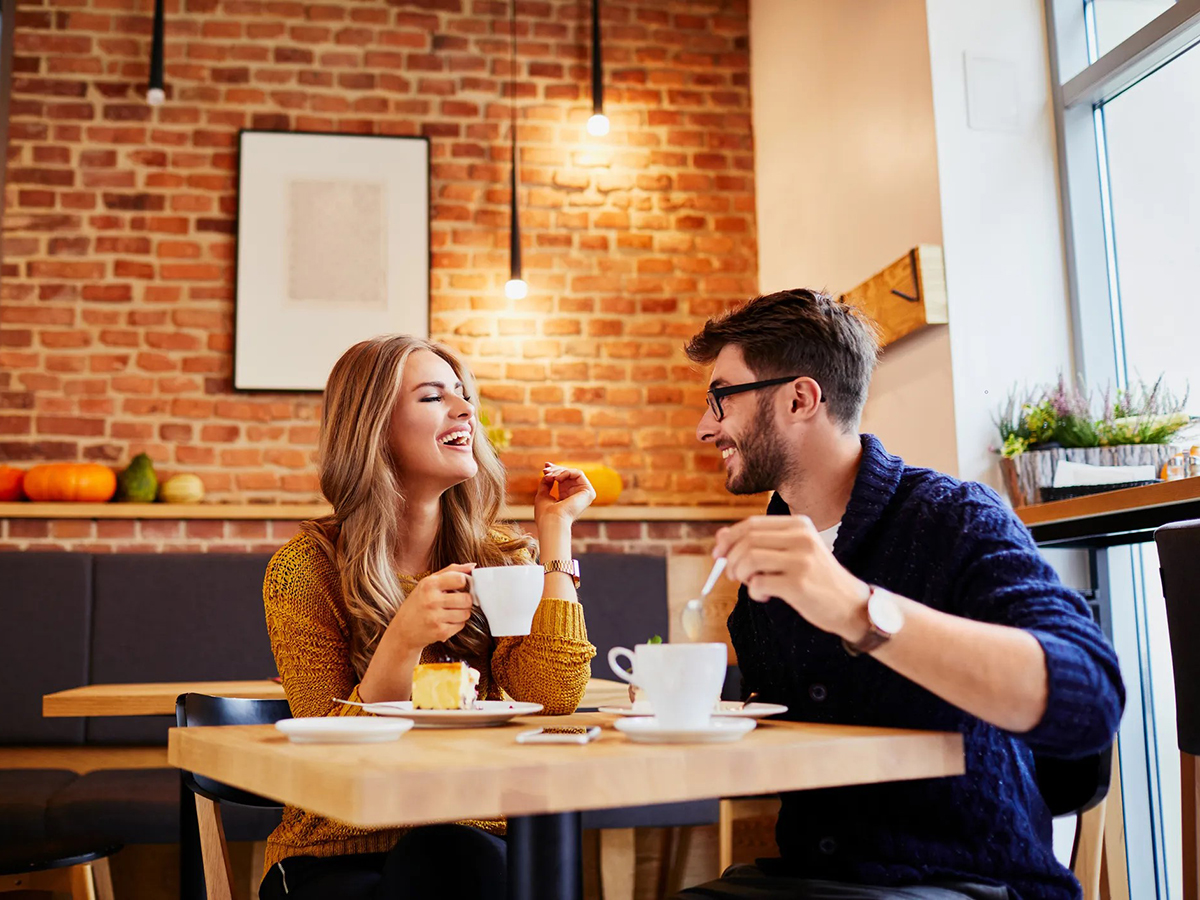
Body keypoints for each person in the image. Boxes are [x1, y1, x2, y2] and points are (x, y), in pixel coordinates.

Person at [676, 289, 1124, 900]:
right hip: (816, 880)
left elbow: (1090, 698)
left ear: (800, 398)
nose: (705, 426)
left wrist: (861, 610)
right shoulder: (768, 564)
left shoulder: (954, 518)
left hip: (968, 880)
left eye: (721, 398)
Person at [258, 335, 597, 900]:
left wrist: (555, 532)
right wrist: (404, 640)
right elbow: (332, 762)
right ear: (373, 428)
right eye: (433, 397)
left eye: (463, 395)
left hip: (474, 834)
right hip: (340, 851)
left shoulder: (504, 558)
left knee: (455, 852)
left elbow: (553, 694)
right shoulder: (306, 569)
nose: (465, 410)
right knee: (452, 860)